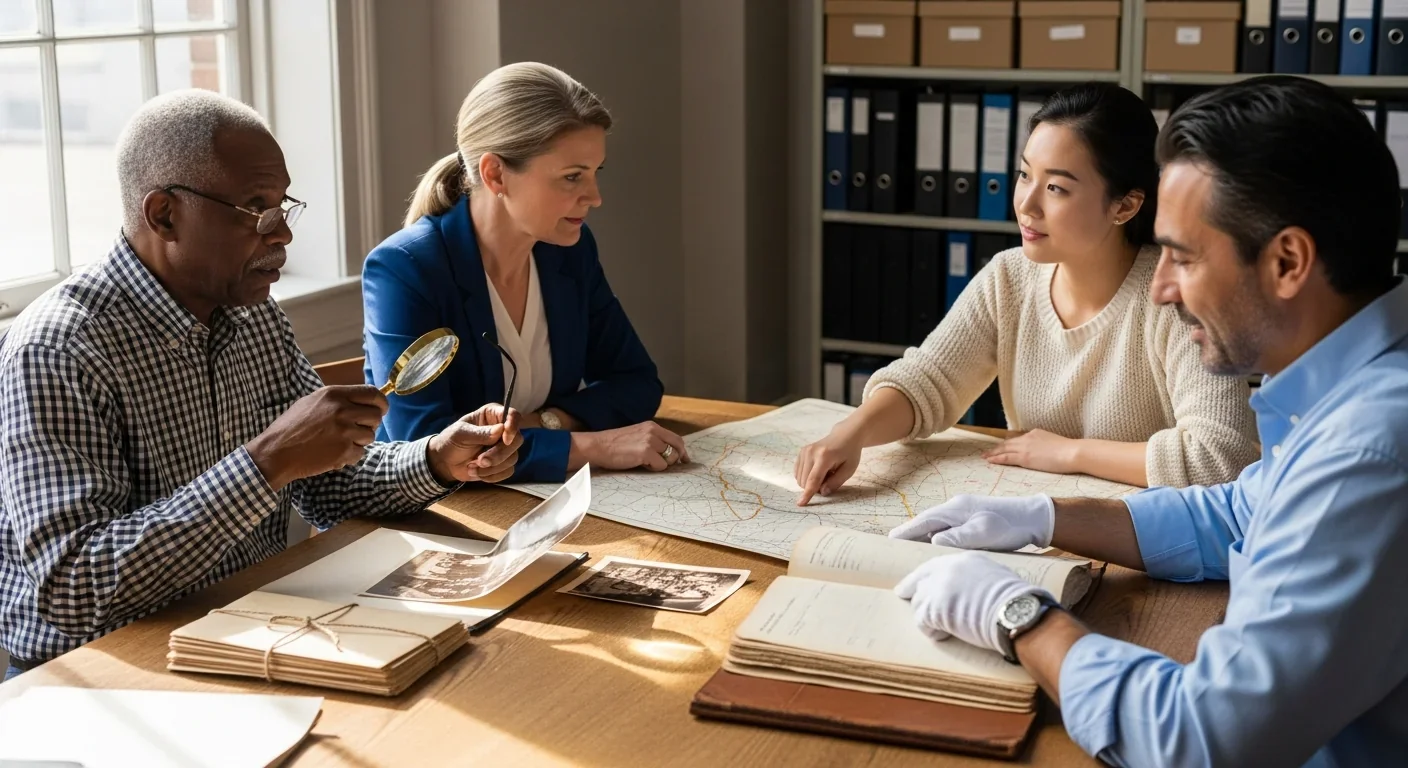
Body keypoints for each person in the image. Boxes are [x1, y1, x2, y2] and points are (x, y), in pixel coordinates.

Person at [889, 76, 1408, 766]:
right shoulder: (1340, 389)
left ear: (1288, 262)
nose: (1161, 286)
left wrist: (1018, 616)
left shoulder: (1369, 450)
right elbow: (1235, 516)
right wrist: (1048, 517)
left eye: (1184, 256)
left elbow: (1197, 739)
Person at [0, 90, 523, 680]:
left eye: (283, 208)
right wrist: (268, 461)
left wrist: (434, 458)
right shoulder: (58, 350)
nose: (282, 237)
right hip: (102, 675)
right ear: (163, 214)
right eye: (256, 211)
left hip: (249, 633)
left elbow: (331, 488)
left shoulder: (253, 314)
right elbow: (75, 591)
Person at [795, 83, 1258, 503]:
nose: (1026, 204)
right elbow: (927, 382)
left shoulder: (1175, 296)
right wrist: (850, 433)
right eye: (1024, 175)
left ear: (1125, 204)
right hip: (1039, 520)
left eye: (1056, 187)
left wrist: (1072, 453)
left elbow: (1219, 456)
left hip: (1149, 534)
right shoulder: (1009, 279)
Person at [362, 62, 683, 483]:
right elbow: (428, 445)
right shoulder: (405, 268)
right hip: (435, 520)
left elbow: (637, 383)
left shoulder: (569, 250)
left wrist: (545, 422)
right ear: (495, 173)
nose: (595, 197)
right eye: (572, 177)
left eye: (594, 173)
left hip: (542, 501)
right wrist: (595, 445)